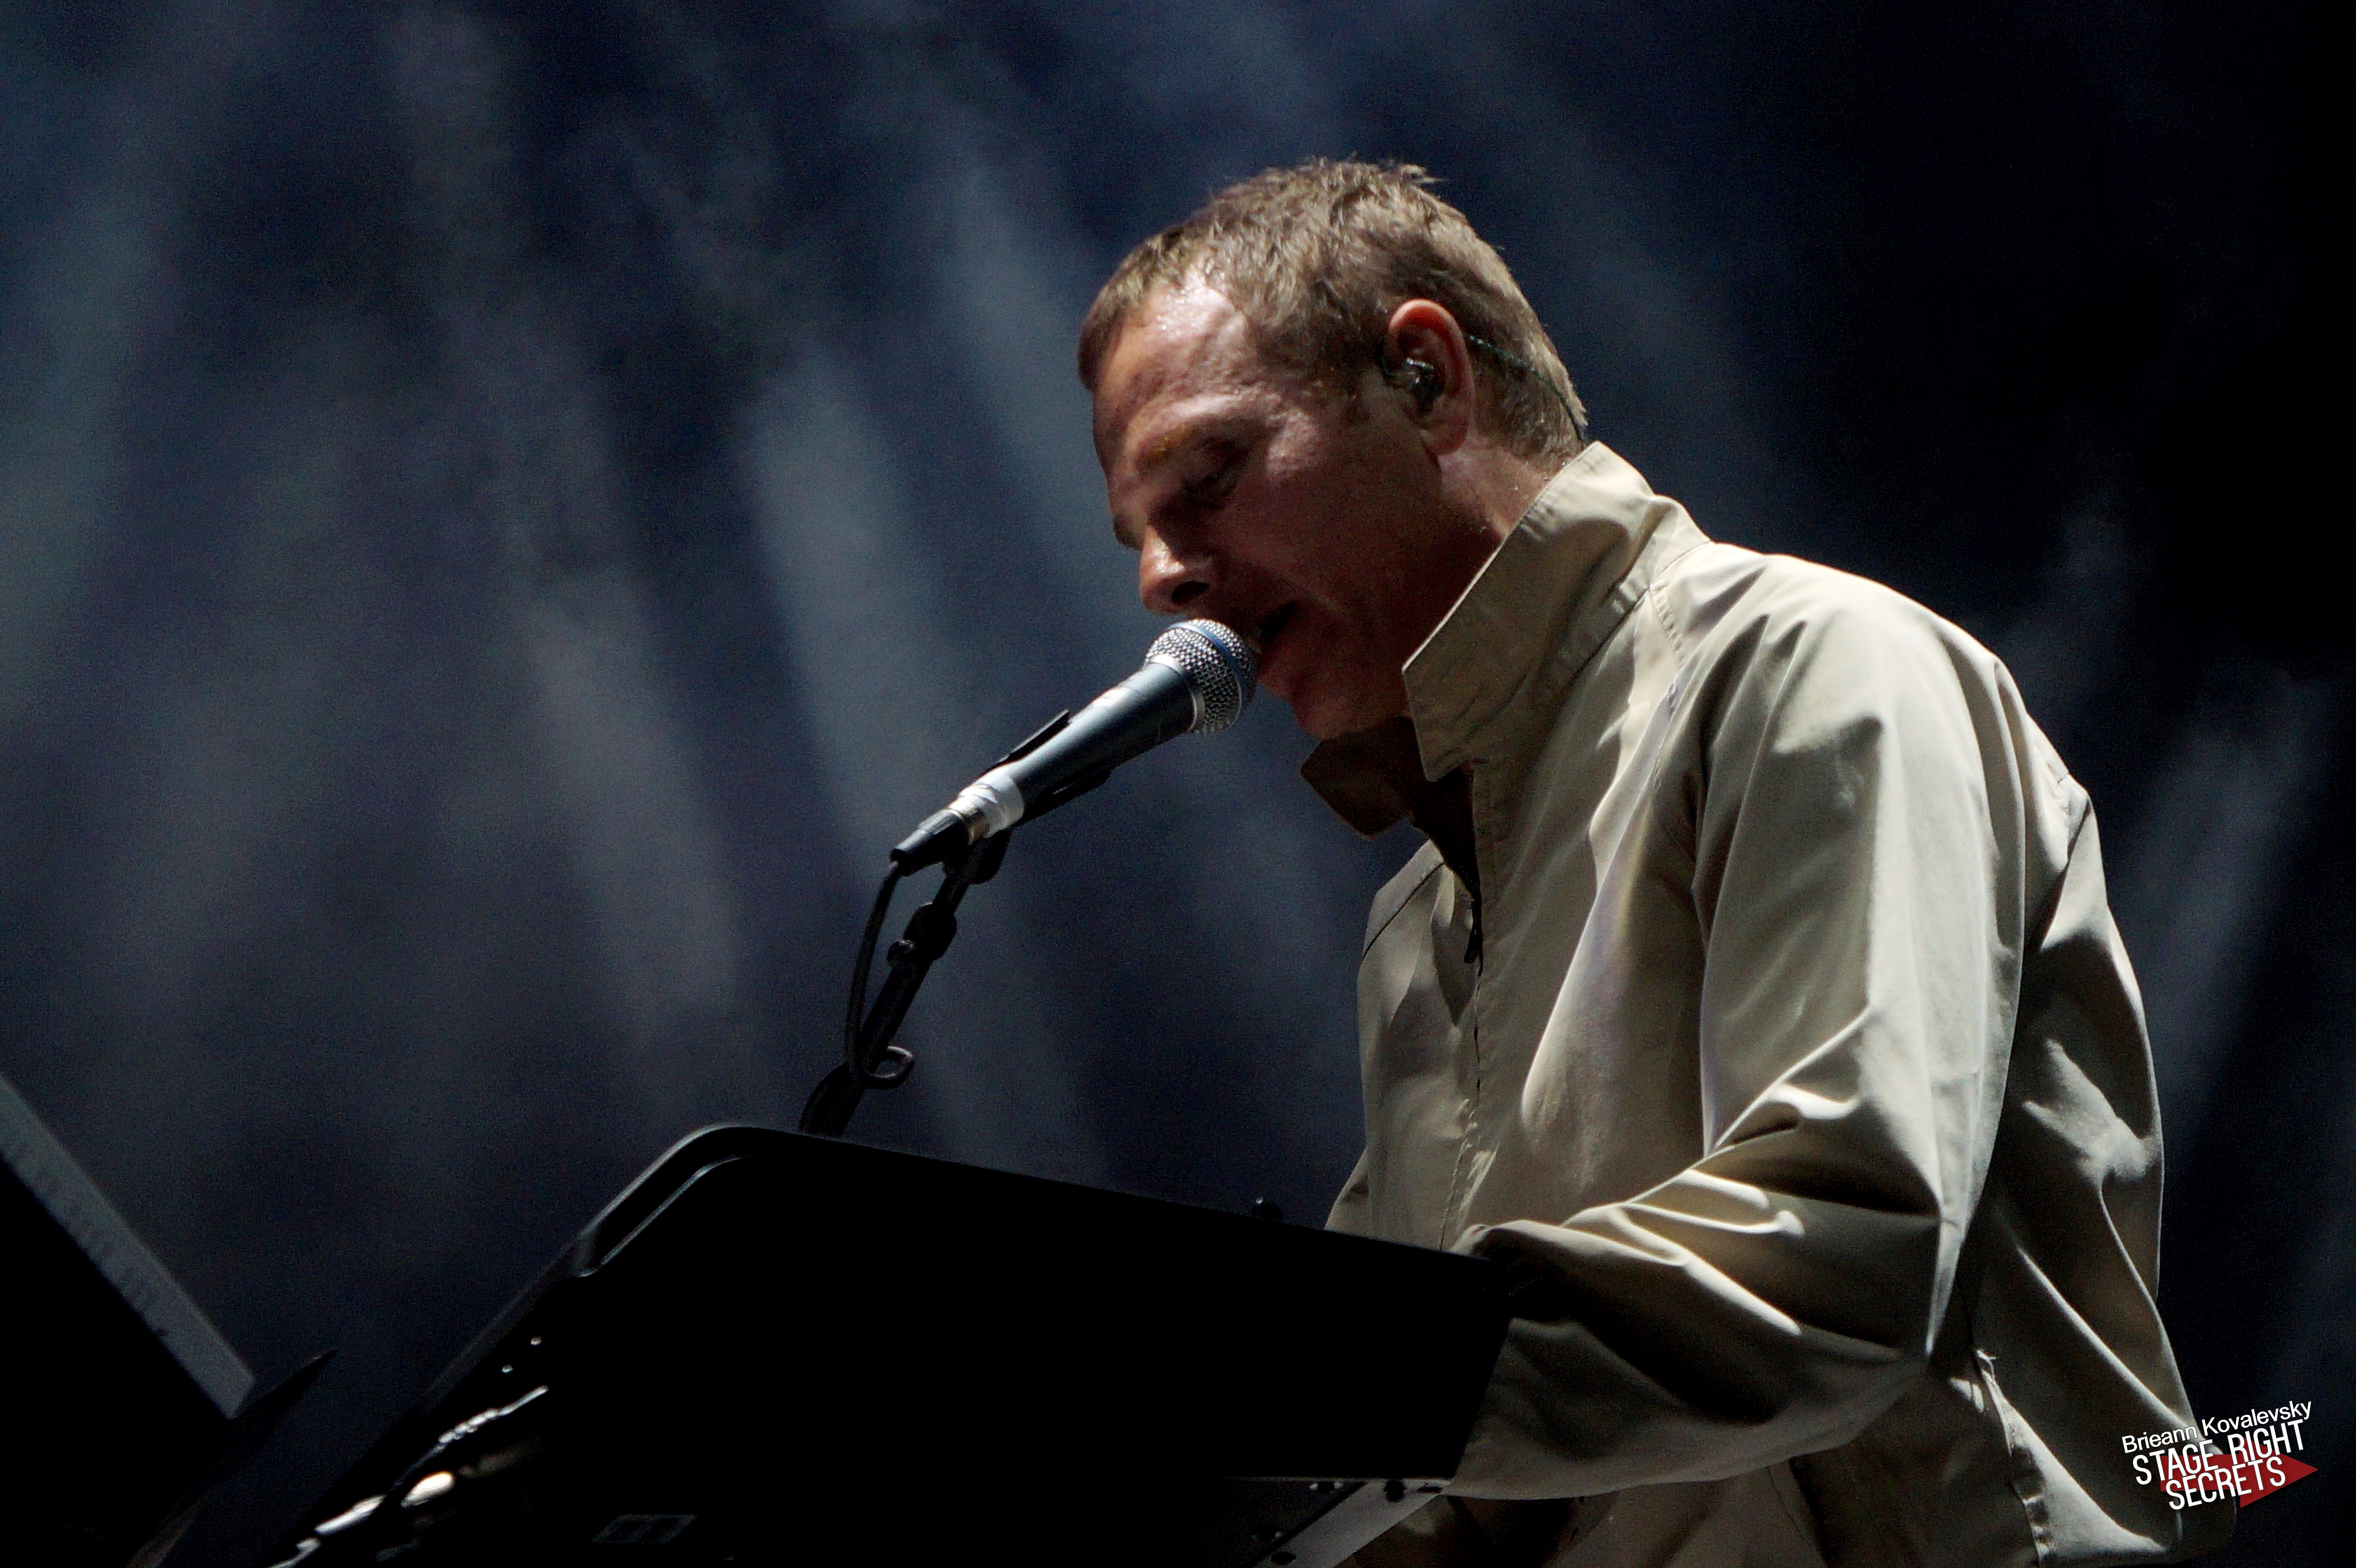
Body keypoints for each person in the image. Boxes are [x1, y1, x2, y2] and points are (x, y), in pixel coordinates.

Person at [1079, 160, 2231, 1568]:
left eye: (1207, 480)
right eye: (1138, 537)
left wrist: (1273, 1371)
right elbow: (1439, 1487)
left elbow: (1839, 1257)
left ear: (1426, 378)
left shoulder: (1810, 669)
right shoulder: (1413, 929)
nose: (1162, 579)